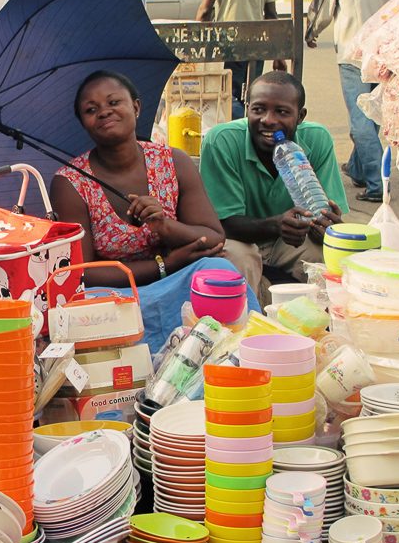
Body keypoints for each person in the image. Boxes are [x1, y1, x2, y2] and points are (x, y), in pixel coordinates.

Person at [50, 70, 255, 352]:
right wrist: (165, 265)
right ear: (84, 123)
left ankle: (245, 354)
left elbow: (213, 237)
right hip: (116, 294)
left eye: (113, 102)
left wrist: (166, 227)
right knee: (88, 304)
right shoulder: (70, 182)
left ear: (136, 106)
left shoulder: (174, 162)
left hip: (178, 279)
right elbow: (84, 273)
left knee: (218, 268)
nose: (104, 112)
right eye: (91, 109)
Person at [200, 71, 348, 304]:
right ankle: (243, 325)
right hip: (239, 238)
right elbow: (220, 224)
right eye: (258, 109)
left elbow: (326, 210)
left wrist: (329, 227)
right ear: (247, 108)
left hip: (291, 241)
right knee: (237, 259)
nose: (268, 120)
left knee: (327, 258)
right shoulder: (223, 141)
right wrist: (277, 225)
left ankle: (318, 327)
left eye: (281, 112)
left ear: (300, 116)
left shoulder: (317, 139)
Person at [306, 0, 399, 203]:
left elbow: (321, 9)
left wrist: (311, 32)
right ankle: (359, 168)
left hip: (352, 54)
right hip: (386, 53)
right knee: (372, 111)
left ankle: (377, 184)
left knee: (360, 121)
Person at [196, 0, 285, 118]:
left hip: (228, 43)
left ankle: (238, 132)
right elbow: (271, 14)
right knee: (251, 93)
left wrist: (197, 45)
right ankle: (249, 130)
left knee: (230, 95)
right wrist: (278, 54)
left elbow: (205, 11)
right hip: (258, 43)